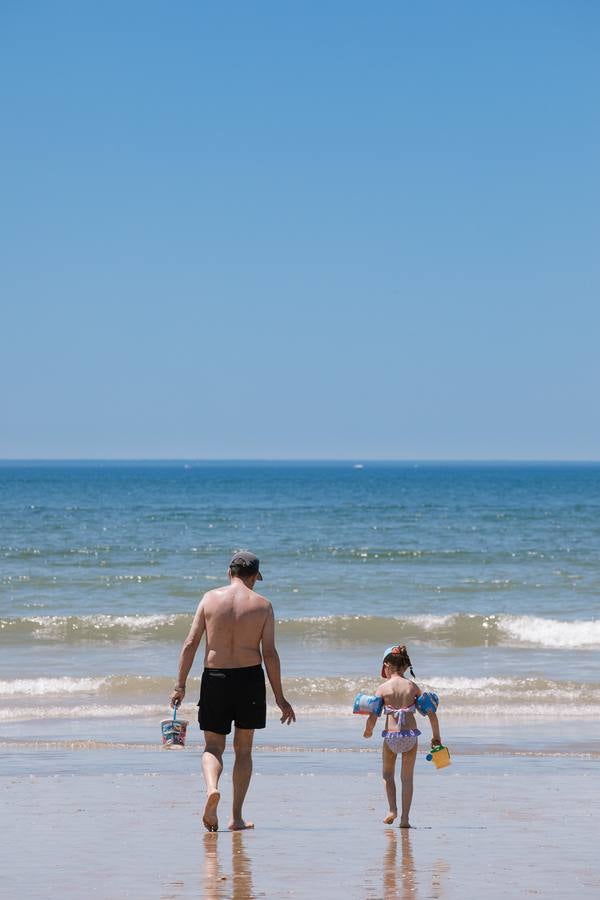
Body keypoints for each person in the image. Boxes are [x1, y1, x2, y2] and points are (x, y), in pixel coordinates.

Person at [170, 550, 295, 832]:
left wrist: (180, 685)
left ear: (229, 572)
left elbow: (190, 643)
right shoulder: (263, 605)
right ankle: (236, 817)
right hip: (249, 679)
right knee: (244, 750)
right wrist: (280, 697)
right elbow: (270, 653)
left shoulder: (209, 599)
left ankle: (212, 788)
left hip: (215, 677)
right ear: (255, 576)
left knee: (213, 747)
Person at [363, 644, 442, 828]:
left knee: (387, 774)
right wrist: (436, 737)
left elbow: (373, 716)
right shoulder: (412, 687)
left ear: (386, 666)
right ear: (406, 666)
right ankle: (405, 819)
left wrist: (368, 731)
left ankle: (392, 810)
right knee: (407, 779)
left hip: (391, 737)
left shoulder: (382, 688)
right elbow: (431, 713)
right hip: (410, 736)